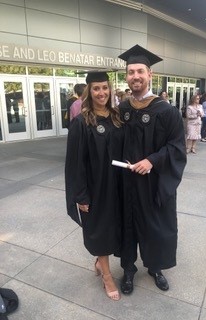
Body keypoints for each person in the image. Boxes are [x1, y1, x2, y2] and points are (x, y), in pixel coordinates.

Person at [117, 44, 187, 294]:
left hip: (153, 183)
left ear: (150, 75)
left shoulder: (166, 111)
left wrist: (152, 161)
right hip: (126, 182)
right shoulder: (122, 110)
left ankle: (155, 267)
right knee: (127, 225)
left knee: (156, 226)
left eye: (140, 71)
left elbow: (177, 148)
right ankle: (128, 269)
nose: (135, 76)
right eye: (131, 72)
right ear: (126, 76)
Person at [65, 71, 123, 301]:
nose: (102, 93)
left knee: (114, 228)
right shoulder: (82, 122)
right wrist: (81, 195)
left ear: (110, 90)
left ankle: (100, 263)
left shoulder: (117, 117)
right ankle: (107, 276)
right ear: (89, 92)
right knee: (100, 231)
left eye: (105, 88)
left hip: (117, 184)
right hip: (95, 187)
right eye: (96, 88)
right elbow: (74, 163)